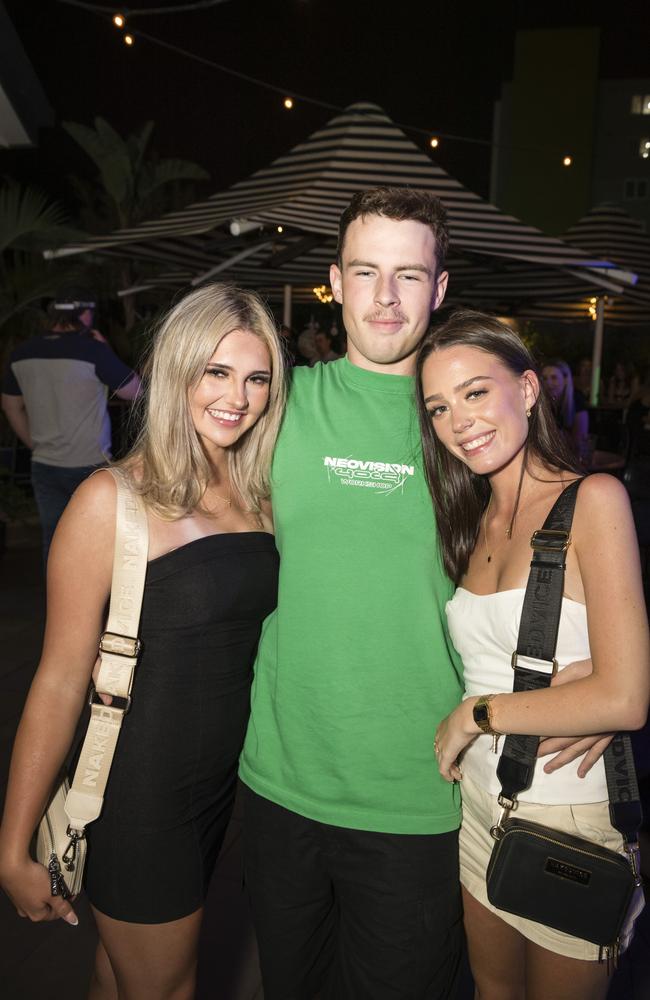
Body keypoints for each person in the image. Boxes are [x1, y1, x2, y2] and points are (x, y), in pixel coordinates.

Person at [237, 187, 606, 999]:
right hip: (279, 782)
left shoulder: (468, 421)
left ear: (440, 290)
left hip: (426, 792)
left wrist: (590, 672)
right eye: (366, 272)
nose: (386, 297)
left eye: (410, 275)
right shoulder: (279, 403)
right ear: (335, 281)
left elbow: (565, 542)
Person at [0, 283, 287, 1000]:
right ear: (174, 372)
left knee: (120, 975)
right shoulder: (110, 501)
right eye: (214, 373)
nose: (237, 397)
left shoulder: (262, 492)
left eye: (256, 378)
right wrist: (12, 847)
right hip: (140, 795)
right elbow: (60, 679)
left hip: (219, 789)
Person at [416, 309, 650, 1000]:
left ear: (525, 390)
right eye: (438, 407)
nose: (459, 421)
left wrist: (475, 716)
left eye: (475, 393)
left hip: (568, 817)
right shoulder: (468, 516)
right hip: (478, 808)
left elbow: (626, 697)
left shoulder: (593, 501)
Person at [1, 288, 141, 564]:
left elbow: (10, 406)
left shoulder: (22, 353)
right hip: (89, 465)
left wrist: (33, 443)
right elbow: (134, 391)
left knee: (53, 541)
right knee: (97, 543)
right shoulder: (93, 351)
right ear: (85, 314)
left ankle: (58, 605)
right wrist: (107, 351)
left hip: (44, 464)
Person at [541, 358, 589, 463]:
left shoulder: (577, 400)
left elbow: (579, 443)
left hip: (572, 462)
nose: (548, 383)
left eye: (554, 378)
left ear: (566, 379)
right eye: (544, 378)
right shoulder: (541, 404)